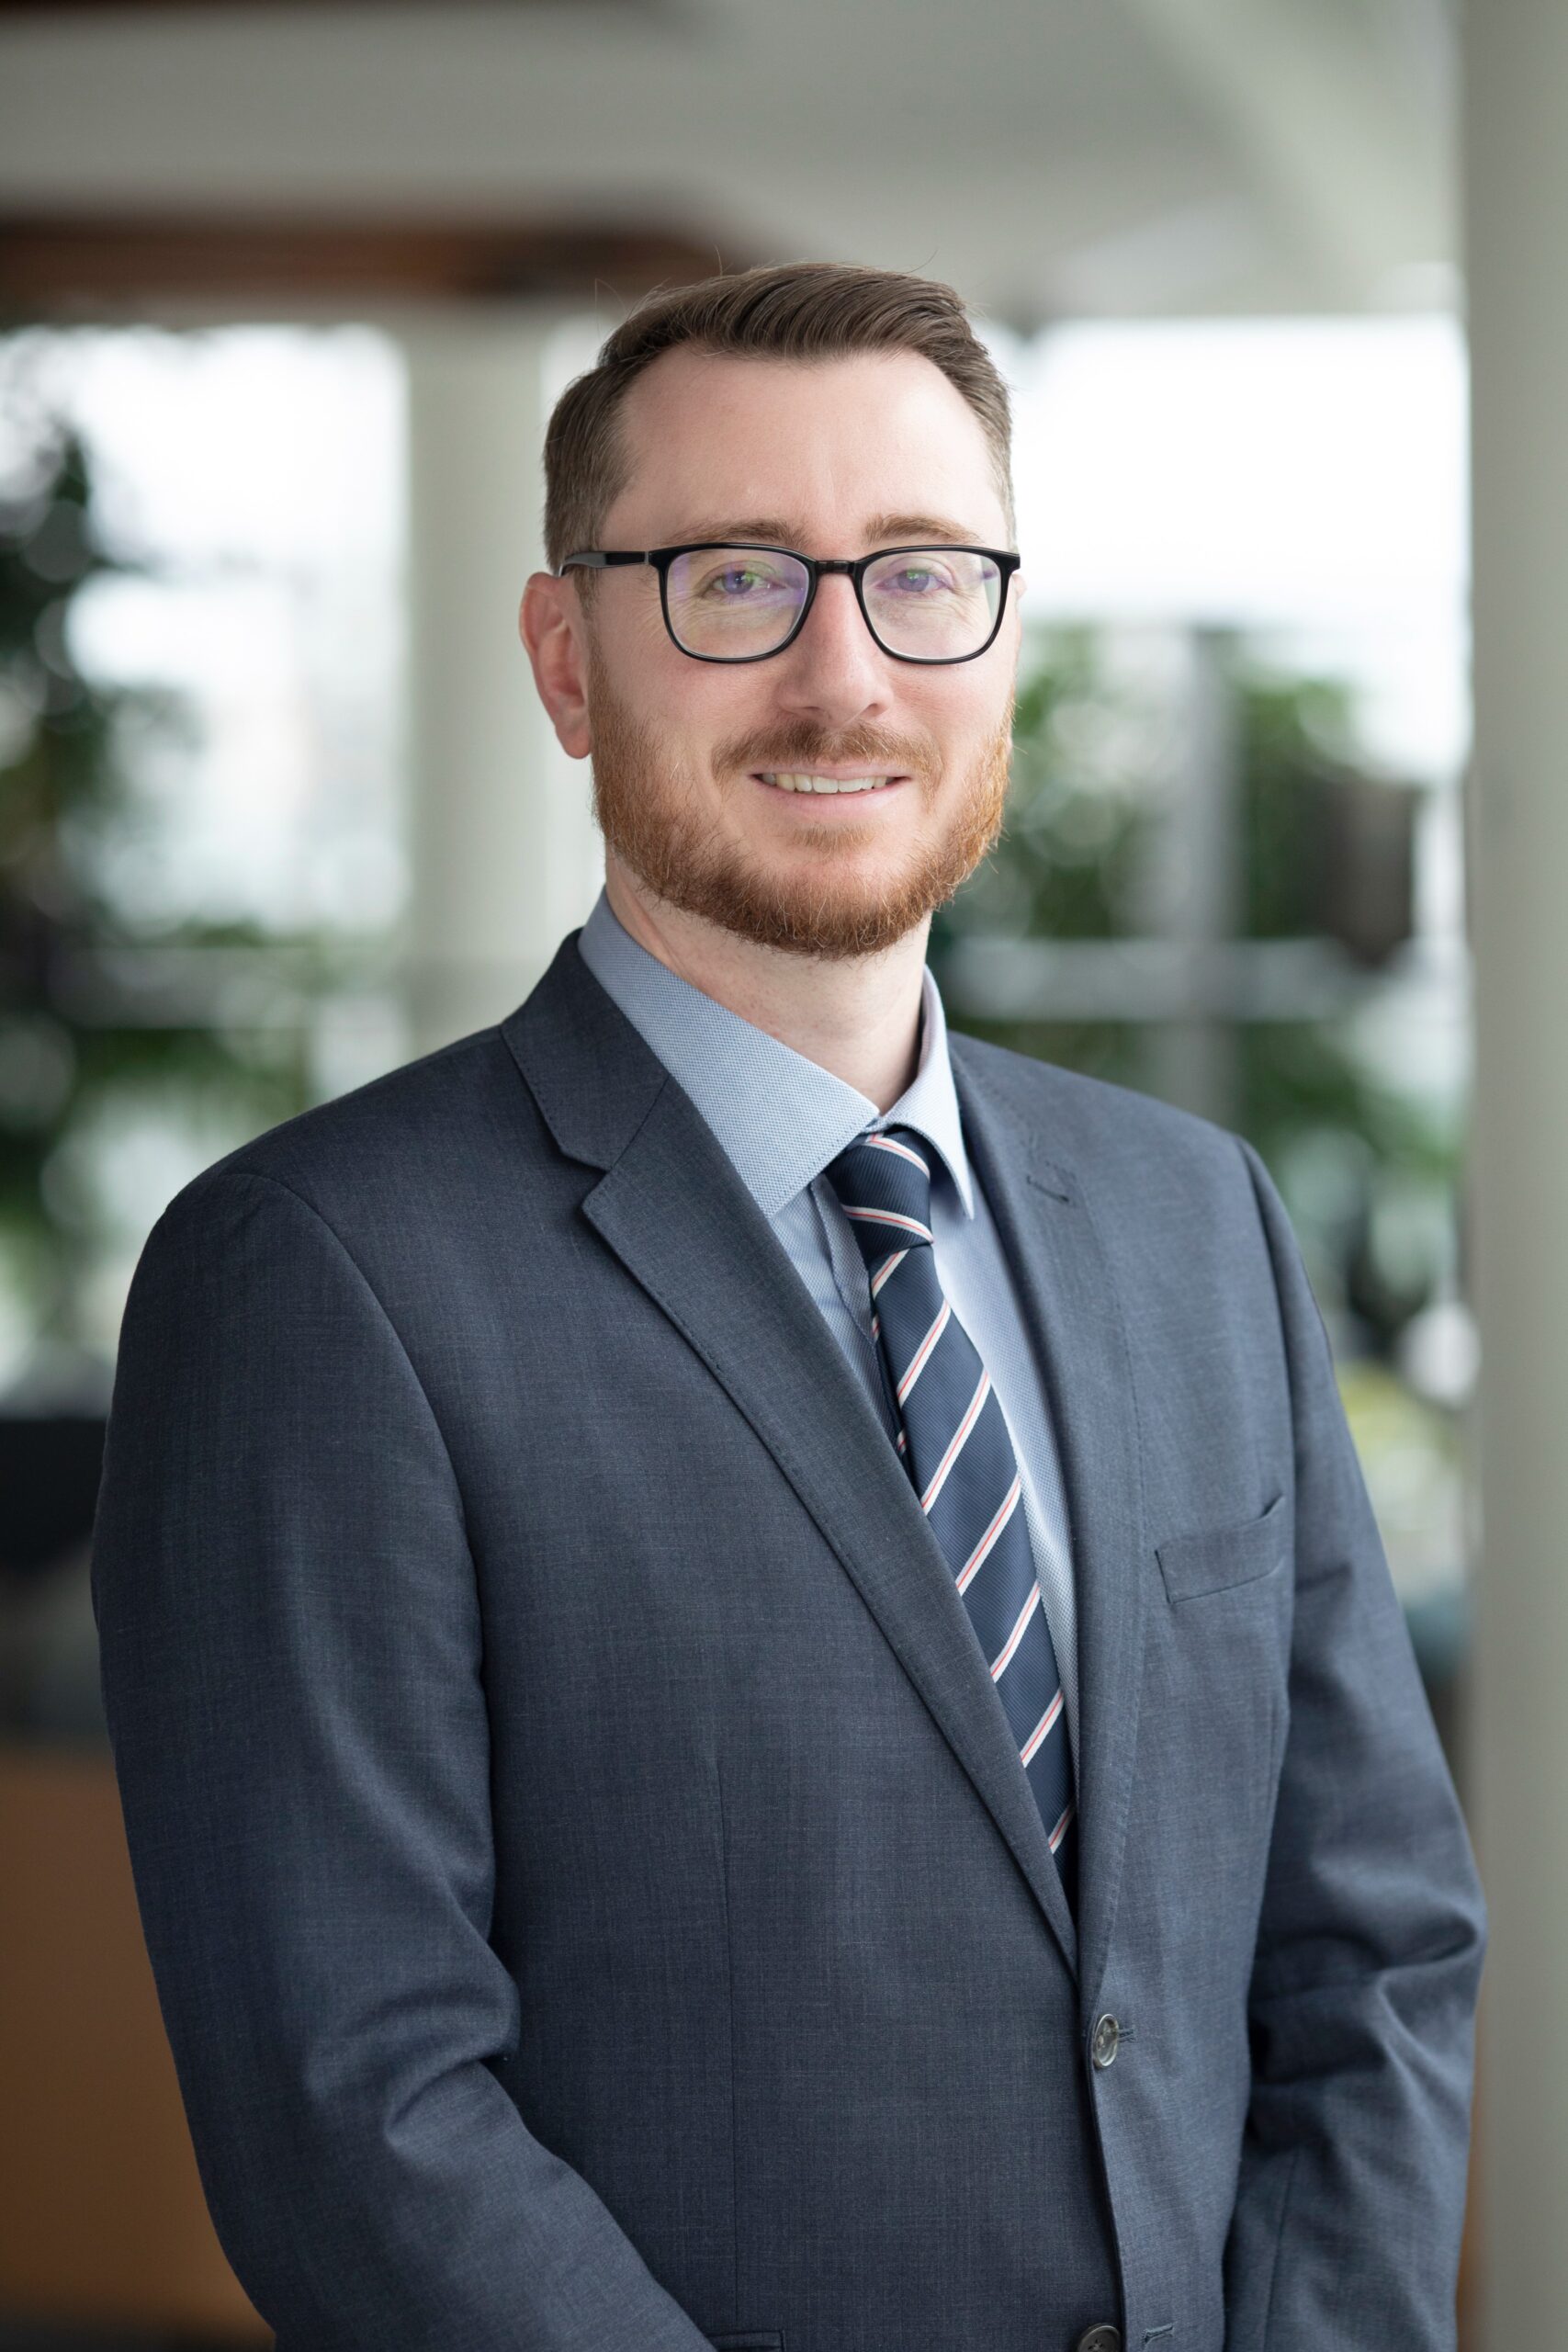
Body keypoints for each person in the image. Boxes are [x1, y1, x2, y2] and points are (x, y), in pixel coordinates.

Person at [92, 262, 1485, 2352]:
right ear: (566, 659)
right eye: (733, 577)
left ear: (1001, 636)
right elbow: (356, 2108)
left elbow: (1369, 1948)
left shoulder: (1197, 1217)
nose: (843, 674)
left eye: (920, 575)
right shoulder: (314, 1280)